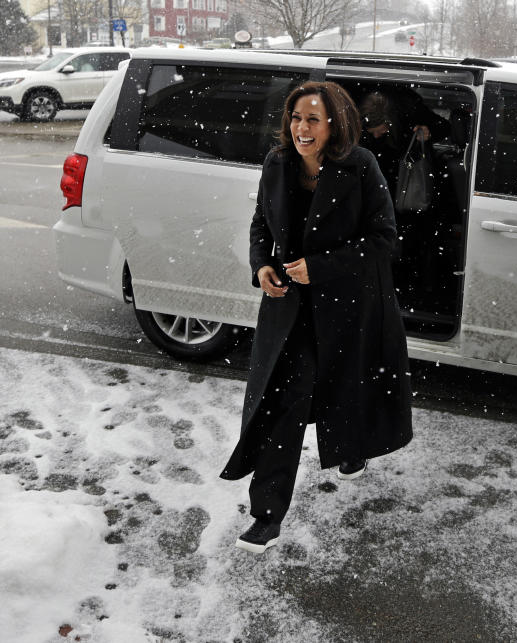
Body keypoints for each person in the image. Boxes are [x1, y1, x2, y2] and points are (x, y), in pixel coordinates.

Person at [219, 81, 414, 554]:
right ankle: (266, 515)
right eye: (296, 118)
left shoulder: (361, 166)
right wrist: (260, 265)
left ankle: (351, 449)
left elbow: (385, 238)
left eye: (313, 119)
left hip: (349, 306)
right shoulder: (277, 163)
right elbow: (261, 223)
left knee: (347, 388)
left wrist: (323, 267)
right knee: (283, 403)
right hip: (289, 309)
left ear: (334, 124)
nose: (301, 128)